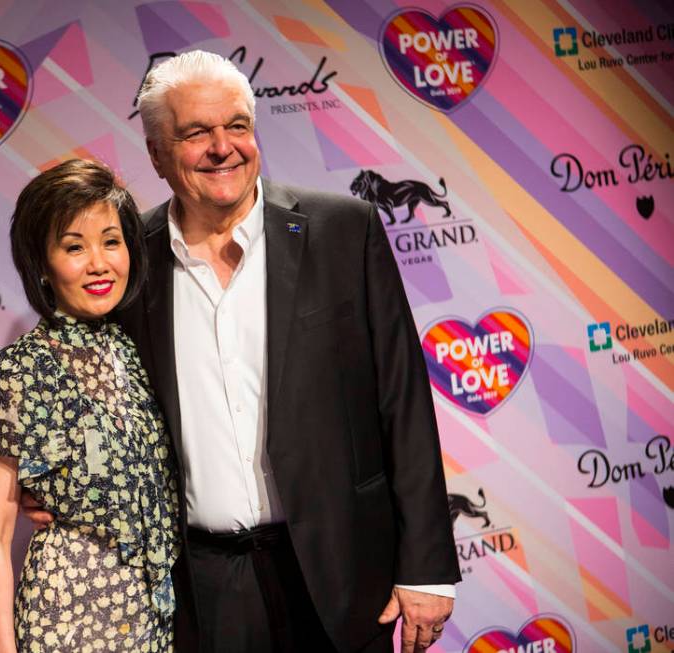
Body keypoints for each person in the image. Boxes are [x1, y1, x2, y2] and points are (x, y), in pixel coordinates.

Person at [25, 51, 460, 652]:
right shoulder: (130, 262)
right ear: (155, 153)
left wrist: (427, 566)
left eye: (236, 126)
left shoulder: (343, 230)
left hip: (339, 570)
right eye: (196, 132)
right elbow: (95, 405)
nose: (222, 147)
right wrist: (49, 484)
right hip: (197, 589)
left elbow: (403, 401)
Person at [0, 159, 180, 652]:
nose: (99, 263)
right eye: (74, 247)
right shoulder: (19, 371)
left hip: (151, 616)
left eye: (111, 241)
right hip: (68, 617)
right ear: (42, 262)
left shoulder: (135, 350)